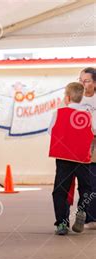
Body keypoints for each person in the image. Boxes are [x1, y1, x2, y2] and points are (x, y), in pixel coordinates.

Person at [48, 82, 93, 235]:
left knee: (60, 191)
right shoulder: (87, 114)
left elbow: (50, 132)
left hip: (63, 157)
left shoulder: (58, 113)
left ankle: (62, 223)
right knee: (86, 187)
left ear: (67, 97)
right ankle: (81, 210)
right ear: (81, 97)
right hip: (82, 158)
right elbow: (92, 132)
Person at [78, 67, 96, 228]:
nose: (83, 84)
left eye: (87, 81)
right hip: (81, 148)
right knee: (87, 182)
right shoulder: (76, 99)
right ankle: (89, 218)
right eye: (80, 80)